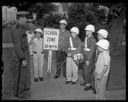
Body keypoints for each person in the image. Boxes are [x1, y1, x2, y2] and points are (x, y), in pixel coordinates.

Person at [11, 13, 31, 99]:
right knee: (21, 75)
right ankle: (20, 94)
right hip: (20, 55)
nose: (26, 19)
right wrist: (23, 59)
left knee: (20, 75)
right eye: (25, 18)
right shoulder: (17, 29)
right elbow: (17, 46)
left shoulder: (21, 27)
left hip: (22, 53)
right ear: (21, 18)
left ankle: (17, 92)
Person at [81, 24, 97, 92]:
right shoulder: (86, 38)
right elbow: (84, 46)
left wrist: (88, 59)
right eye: (86, 30)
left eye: (87, 31)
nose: (86, 31)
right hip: (85, 57)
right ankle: (86, 81)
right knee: (84, 70)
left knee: (87, 71)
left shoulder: (93, 40)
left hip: (89, 58)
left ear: (91, 31)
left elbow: (92, 51)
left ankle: (89, 84)